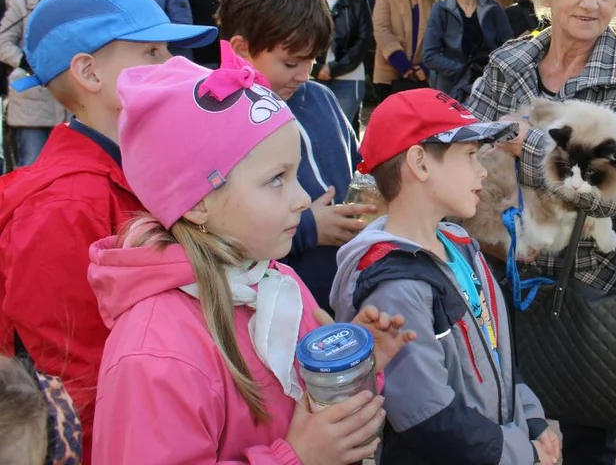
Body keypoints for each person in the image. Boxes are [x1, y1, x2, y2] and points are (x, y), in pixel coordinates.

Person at [88, 55, 413, 463]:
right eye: (277, 179)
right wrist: (296, 458)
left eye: (295, 175)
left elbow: (301, 405)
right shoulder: (155, 355)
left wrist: (350, 370)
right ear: (198, 203)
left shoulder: (277, 282)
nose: (301, 199)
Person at [0, 0, 218, 463]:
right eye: (153, 52)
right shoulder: (63, 206)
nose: (176, 67)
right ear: (89, 73)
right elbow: (75, 382)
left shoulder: (135, 170)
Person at [467, 0, 616, 465]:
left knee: (587, 437)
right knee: (497, 413)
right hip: (500, 268)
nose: (590, 3)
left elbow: (613, 185)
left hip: (587, 280)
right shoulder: (510, 61)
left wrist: (525, 142)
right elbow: (463, 139)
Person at [329, 89, 559, 464]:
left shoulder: (460, 245)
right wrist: (521, 454)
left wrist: (531, 420)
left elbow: (496, 350)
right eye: (470, 156)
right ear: (420, 163)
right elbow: (427, 418)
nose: (483, 170)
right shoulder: (394, 287)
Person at [217, 0, 368, 311]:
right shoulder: (220, 118)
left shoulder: (321, 98)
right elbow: (220, 234)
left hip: (345, 290)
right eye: (290, 63)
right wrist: (310, 228)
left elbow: (357, 166)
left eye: (312, 60)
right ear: (241, 49)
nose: (303, 75)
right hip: (275, 309)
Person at [0, 0, 75, 167]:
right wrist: (25, 62)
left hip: (66, 99)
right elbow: (2, 41)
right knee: (32, 167)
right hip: (31, 99)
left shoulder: (75, 4)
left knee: (65, 168)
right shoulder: (21, 4)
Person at [423, 0, 513, 101]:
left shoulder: (494, 9)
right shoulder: (440, 10)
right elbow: (430, 55)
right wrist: (465, 71)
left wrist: (487, 76)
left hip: (488, 90)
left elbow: (509, 51)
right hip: (449, 91)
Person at [312, 0, 373, 127]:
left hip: (349, 76)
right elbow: (297, 37)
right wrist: (317, 69)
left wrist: (335, 68)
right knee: (317, 128)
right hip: (314, 76)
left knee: (342, 129)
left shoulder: (359, 2)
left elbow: (364, 40)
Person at [372, 0, 435, 101]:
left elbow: (436, 36)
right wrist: (400, 62)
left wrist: (426, 67)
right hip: (390, 72)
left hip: (419, 75)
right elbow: (381, 29)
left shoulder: (432, 1)